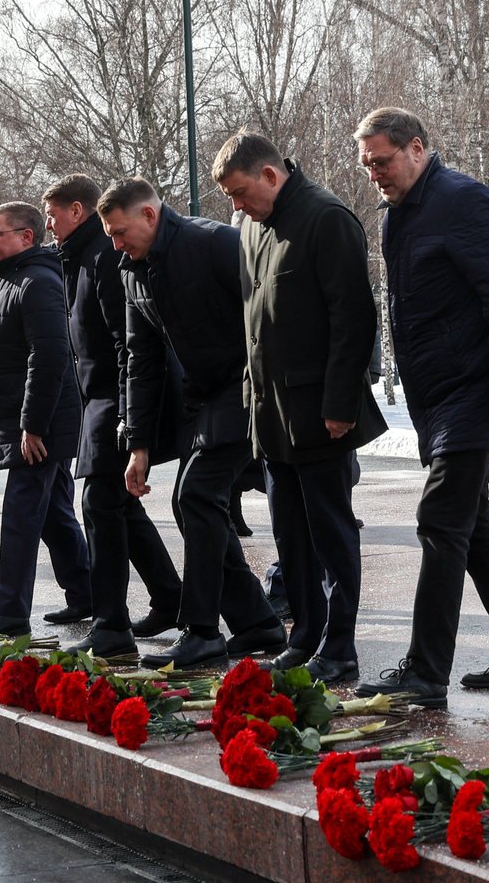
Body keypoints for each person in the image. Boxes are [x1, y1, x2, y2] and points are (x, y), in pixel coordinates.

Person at [350, 107, 489, 708]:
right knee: (474, 526)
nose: (375, 175)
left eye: (383, 161)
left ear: (416, 148)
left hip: (474, 390)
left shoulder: (463, 200)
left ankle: (425, 669)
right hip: (440, 397)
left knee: (441, 521)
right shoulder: (401, 215)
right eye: (367, 166)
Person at [215, 132, 387, 687]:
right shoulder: (251, 228)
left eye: (241, 193)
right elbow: (251, 322)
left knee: (331, 535)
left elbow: (354, 319)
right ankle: (307, 636)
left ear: (269, 174)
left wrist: (340, 402)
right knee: (290, 534)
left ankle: (340, 646)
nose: (236, 208)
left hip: (319, 412)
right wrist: (250, 399)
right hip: (271, 414)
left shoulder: (326, 217)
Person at [98, 178, 287, 669]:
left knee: (197, 495)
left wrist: (271, 390)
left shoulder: (212, 242)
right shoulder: (132, 271)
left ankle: (201, 630)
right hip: (203, 399)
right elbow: (142, 360)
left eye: (120, 232)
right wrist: (138, 445)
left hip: (249, 387)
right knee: (194, 505)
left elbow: (269, 314)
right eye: (110, 235)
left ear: (150, 216)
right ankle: (256, 623)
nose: (115, 244)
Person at [44, 174, 185, 657]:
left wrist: (129, 417)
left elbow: (126, 341)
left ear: (76, 211)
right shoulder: (78, 258)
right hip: (98, 398)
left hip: (113, 399)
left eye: (53, 213)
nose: (48, 223)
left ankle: (111, 626)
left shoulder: (101, 256)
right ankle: (170, 597)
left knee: (100, 506)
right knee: (119, 506)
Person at [0, 202, 94, 638]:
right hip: (20, 419)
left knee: (20, 516)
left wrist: (32, 425)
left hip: (36, 425)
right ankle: (85, 593)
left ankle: (10, 611)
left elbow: (50, 356)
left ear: (26, 237)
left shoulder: (37, 281)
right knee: (53, 512)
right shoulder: (10, 279)